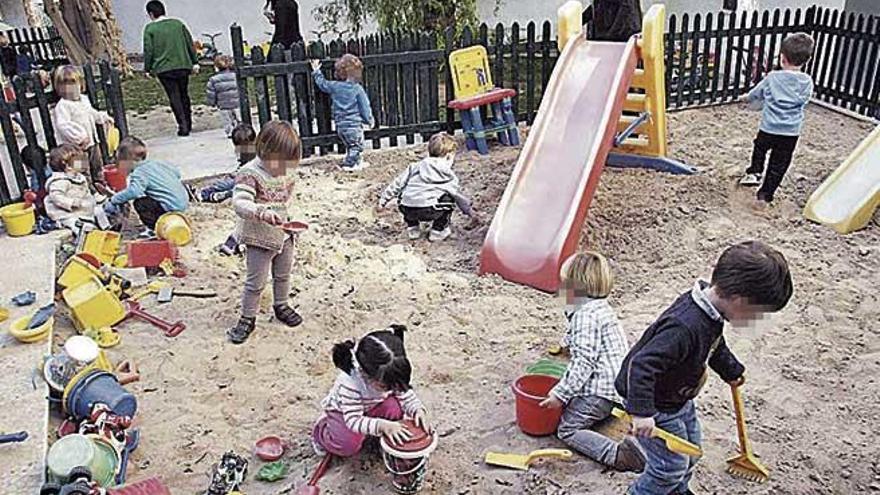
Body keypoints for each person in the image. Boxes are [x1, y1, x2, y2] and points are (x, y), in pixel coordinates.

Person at [616, 241, 793, 495]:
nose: (756, 320)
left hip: (678, 399)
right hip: (655, 405)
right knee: (668, 468)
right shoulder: (683, 326)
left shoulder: (711, 313)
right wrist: (642, 412)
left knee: (692, 451)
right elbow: (642, 364)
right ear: (739, 300)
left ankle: (677, 490)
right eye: (757, 313)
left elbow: (714, 345)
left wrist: (731, 369)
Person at [538, 252, 644, 472]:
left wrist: (560, 394)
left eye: (564, 283)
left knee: (568, 429)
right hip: (619, 386)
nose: (560, 289)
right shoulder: (599, 308)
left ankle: (619, 455)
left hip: (601, 394)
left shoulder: (585, 316)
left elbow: (584, 361)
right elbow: (576, 333)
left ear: (575, 287)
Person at [227, 120, 303, 344]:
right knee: (255, 282)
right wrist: (261, 212)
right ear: (266, 151)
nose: (285, 170)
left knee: (283, 274)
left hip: (283, 234)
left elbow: (284, 199)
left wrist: (290, 222)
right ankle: (247, 318)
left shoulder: (285, 171)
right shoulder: (250, 173)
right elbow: (239, 202)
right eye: (281, 163)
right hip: (259, 236)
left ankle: (281, 305)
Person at [313, 325, 432, 457]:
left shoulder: (390, 374)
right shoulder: (350, 384)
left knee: (395, 408)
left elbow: (405, 393)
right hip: (345, 412)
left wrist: (417, 410)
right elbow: (353, 420)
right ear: (366, 375)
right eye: (386, 387)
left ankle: (376, 437)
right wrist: (382, 425)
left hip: (372, 405)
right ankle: (322, 433)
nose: (393, 389)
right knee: (348, 445)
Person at [739, 33, 815, 204]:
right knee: (779, 164)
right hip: (790, 133)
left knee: (759, 147)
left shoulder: (773, 77)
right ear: (807, 60)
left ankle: (755, 171)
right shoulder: (807, 82)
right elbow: (805, 100)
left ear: (782, 58)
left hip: (769, 128)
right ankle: (765, 195)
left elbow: (755, 94)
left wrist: (746, 98)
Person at [378, 132, 477, 242]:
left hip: (408, 209)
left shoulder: (414, 167)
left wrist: (384, 199)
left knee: (404, 194)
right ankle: (438, 231)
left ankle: (413, 228)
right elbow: (457, 196)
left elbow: (397, 184)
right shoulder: (449, 175)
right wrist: (469, 210)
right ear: (449, 156)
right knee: (449, 198)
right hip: (430, 210)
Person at [104, 136, 189, 236]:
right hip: (182, 203)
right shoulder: (158, 163)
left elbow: (134, 191)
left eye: (119, 163)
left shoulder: (139, 172)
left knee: (141, 203)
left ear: (128, 161)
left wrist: (114, 199)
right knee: (150, 197)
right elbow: (177, 174)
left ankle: (153, 228)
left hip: (170, 208)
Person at [143, 0, 200, 137]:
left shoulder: (150, 29)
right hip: (182, 64)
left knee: (173, 96)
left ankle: (182, 125)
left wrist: (147, 68)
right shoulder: (178, 24)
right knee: (184, 94)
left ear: (151, 14)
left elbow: (148, 50)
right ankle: (189, 122)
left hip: (164, 68)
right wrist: (194, 61)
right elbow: (189, 43)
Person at [52, 65, 114, 188]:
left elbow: (91, 113)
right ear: (59, 88)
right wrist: (80, 137)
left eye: (73, 84)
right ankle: (88, 189)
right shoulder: (63, 106)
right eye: (65, 86)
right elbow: (63, 125)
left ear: (80, 84)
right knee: (82, 169)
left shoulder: (84, 100)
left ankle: (100, 185)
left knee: (96, 164)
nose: (70, 89)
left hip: (92, 142)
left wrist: (103, 117)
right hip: (76, 147)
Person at [310, 55, 374, 172]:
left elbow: (322, 84)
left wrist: (316, 71)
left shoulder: (335, 87)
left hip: (340, 125)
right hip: (353, 126)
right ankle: (349, 165)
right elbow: (364, 107)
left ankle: (356, 161)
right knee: (356, 146)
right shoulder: (357, 89)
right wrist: (369, 120)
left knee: (350, 146)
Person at [44, 144, 100, 231]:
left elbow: (85, 192)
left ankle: (107, 226)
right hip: (66, 213)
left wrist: (92, 200)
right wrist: (70, 202)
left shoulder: (80, 177)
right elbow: (56, 196)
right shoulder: (60, 181)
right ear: (67, 165)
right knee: (74, 223)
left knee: (99, 212)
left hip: (82, 209)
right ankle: (81, 233)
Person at [206, 55, 240, 138]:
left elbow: (211, 93)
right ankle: (239, 129)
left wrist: (212, 103)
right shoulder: (236, 76)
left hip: (223, 104)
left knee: (226, 119)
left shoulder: (213, 79)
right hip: (237, 103)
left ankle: (230, 132)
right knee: (238, 117)